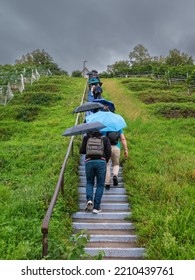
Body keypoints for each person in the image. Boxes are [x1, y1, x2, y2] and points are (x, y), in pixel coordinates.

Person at [79, 130, 111, 213]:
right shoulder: (105, 138)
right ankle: (96, 207)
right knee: (100, 184)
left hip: (89, 162)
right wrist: (105, 160)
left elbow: (82, 151)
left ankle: (89, 200)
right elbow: (109, 151)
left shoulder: (87, 137)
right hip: (101, 162)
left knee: (89, 182)